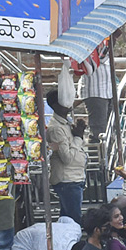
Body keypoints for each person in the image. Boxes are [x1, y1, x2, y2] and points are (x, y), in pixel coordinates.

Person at [46, 90, 88, 224]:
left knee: (67, 218)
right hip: (67, 180)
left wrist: (78, 135)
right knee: (73, 219)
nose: (69, 102)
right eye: (63, 100)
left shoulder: (67, 123)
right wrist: (78, 137)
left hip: (75, 177)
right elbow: (67, 158)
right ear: (55, 105)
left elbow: (77, 146)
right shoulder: (56, 128)